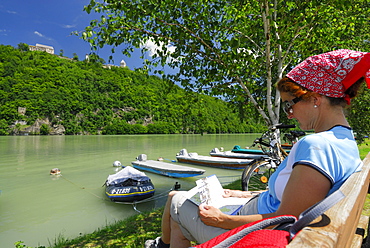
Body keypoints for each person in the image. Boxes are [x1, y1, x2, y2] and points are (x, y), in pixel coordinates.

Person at [145, 49, 370, 248]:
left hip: (257, 232)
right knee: (179, 203)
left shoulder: (316, 146)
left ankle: (161, 245)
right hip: (261, 217)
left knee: (175, 201)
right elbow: (292, 198)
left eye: (290, 106)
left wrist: (221, 220)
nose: (289, 114)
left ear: (315, 98)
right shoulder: (345, 141)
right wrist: (241, 193)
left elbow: (284, 217)